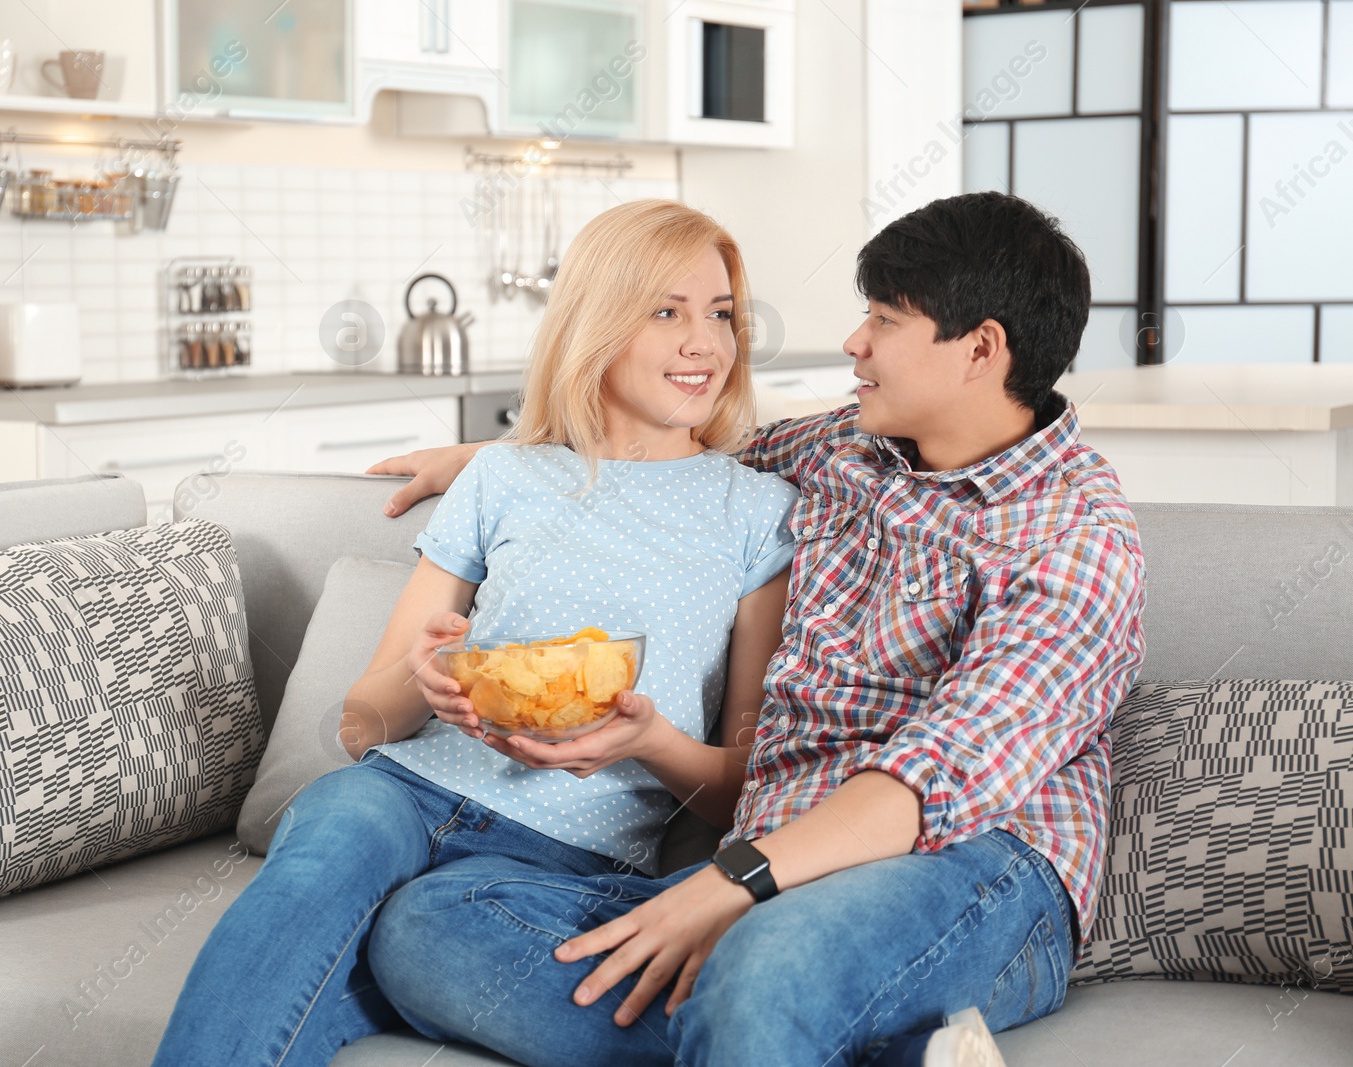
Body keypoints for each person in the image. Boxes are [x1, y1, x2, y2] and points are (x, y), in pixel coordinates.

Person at [361, 191, 1147, 1067]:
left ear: (981, 349)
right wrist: (487, 462)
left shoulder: (1076, 536)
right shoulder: (846, 449)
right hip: (772, 865)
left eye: (884, 321)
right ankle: (866, 1048)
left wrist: (730, 882)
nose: (855, 344)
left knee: (765, 967)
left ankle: (770, 1013)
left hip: (973, 869)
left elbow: (926, 782)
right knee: (425, 925)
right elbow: (672, 455)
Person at [149, 200, 800, 1067]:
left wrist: (648, 739)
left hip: (563, 861)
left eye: (720, 314)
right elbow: (359, 726)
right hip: (398, 792)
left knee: (413, 936)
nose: (706, 342)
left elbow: (738, 791)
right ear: (595, 324)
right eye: (666, 311)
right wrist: (425, 679)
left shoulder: (757, 512)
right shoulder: (503, 475)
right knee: (333, 829)